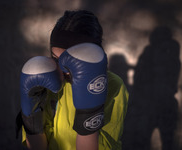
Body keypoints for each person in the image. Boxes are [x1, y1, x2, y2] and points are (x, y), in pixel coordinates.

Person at [17, 10, 129, 150]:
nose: (62, 70)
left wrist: (89, 113)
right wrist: (30, 118)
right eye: (55, 59)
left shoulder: (113, 86)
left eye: (69, 63)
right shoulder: (49, 81)